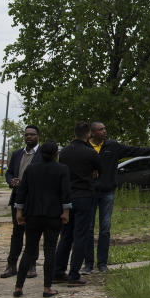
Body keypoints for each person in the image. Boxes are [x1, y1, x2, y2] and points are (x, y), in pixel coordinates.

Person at [86, 121, 150, 273]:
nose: (104, 131)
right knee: (88, 228)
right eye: (100, 129)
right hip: (88, 193)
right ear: (92, 133)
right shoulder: (85, 147)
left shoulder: (112, 146)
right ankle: (88, 264)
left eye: (105, 128)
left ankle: (102, 264)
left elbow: (134, 150)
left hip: (107, 192)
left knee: (105, 228)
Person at [12, 141, 70, 298]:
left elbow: (22, 191)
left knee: (29, 250)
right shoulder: (62, 169)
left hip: (33, 214)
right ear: (55, 154)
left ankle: (18, 287)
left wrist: (19, 211)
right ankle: (47, 288)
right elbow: (65, 193)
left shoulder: (31, 169)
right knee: (50, 251)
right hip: (53, 215)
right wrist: (66, 212)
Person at [52, 121, 101, 286]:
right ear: (88, 134)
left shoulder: (64, 152)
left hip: (67, 197)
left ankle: (58, 272)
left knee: (65, 235)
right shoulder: (90, 152)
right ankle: (74, 274)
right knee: (80, 236)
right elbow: (99, 169)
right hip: (85, 196)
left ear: (74, 133)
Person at [0, 125, 43, 279]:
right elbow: (9, 172)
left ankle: (32, 265)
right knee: (17, 233)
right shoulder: (17, 154)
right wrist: (12, 181)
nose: (29, 137)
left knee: (33, 233)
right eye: (26, 135)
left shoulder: (42, 154)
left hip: (34, 199)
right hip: (18, 197)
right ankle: (11, 265)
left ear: (38, 136)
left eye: (32, 134)